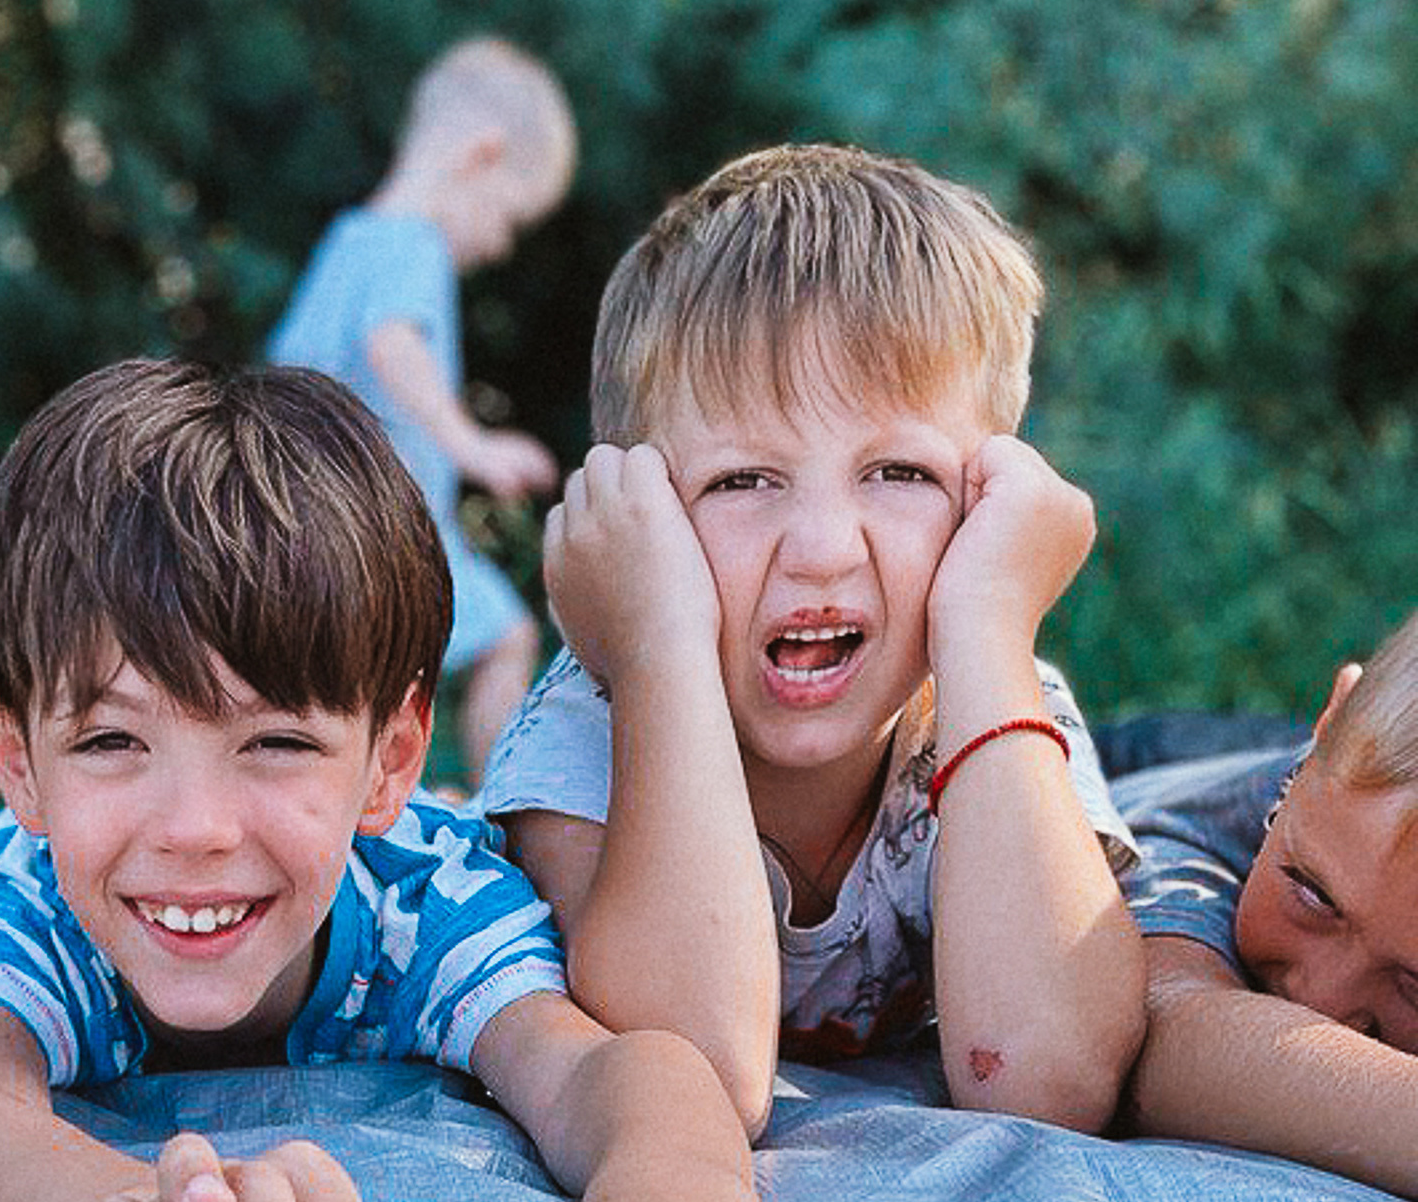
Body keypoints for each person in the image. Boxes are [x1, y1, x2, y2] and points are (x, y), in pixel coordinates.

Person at [0, 358, 900, 1202]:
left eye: (276, 743)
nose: (193, 829)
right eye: (111, 740)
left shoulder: (419, 895)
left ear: (389, 759)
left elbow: (608, 1069)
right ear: (16, 762)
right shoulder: (12, 910)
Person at [479, 142, 1146, 1136]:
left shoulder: (993, 685)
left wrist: (988, 624)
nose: (825, 548)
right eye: (742, 480)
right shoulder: (591, 723)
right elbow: (696, 1082)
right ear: (641, 515)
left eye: (900, 474)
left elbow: (1042, 1081)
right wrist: (659, 641)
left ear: (988, 501)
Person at [267, 37, 575, 788]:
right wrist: (469, 443)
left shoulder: (349, 241)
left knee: (356, 694)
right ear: (482, 155)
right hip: (376, 536)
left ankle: (366, 803)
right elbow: (391, 341)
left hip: (303, 528)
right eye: (509, 217)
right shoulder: (414, 246)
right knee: (507, 633)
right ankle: (507, 808)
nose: (499, 244)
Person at [1118, 612, 1418, 1195]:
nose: (1320, 1000)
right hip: (1152, 762)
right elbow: (1149, 1036)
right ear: (1326, 727)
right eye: (1312, 894)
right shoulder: (1190, 833)